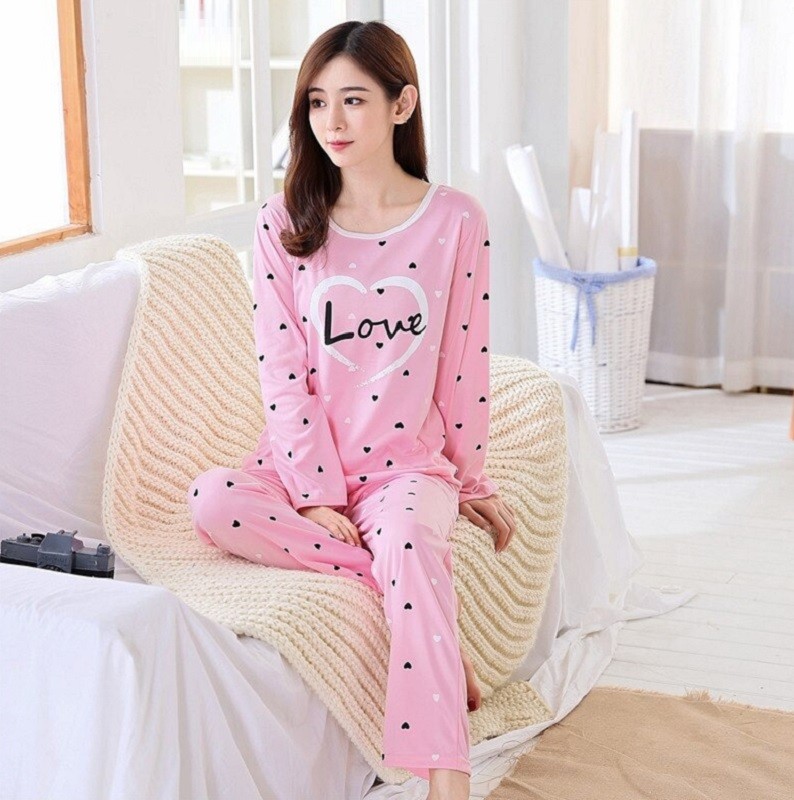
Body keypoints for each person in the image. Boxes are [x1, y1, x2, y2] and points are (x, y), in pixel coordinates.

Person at [187, 20, 516, 800]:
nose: (331, 121)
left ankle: (447, 785)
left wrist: (470, 481)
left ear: (402, 105)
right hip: (299, 466)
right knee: (212, 500)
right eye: (317, 102)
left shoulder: (455, 221)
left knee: (410, 543)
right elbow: (282, 368)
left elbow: (463, 366)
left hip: (405, 470)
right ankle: (427, 622)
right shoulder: (283, 223)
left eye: (354, 100)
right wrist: (314, 493)